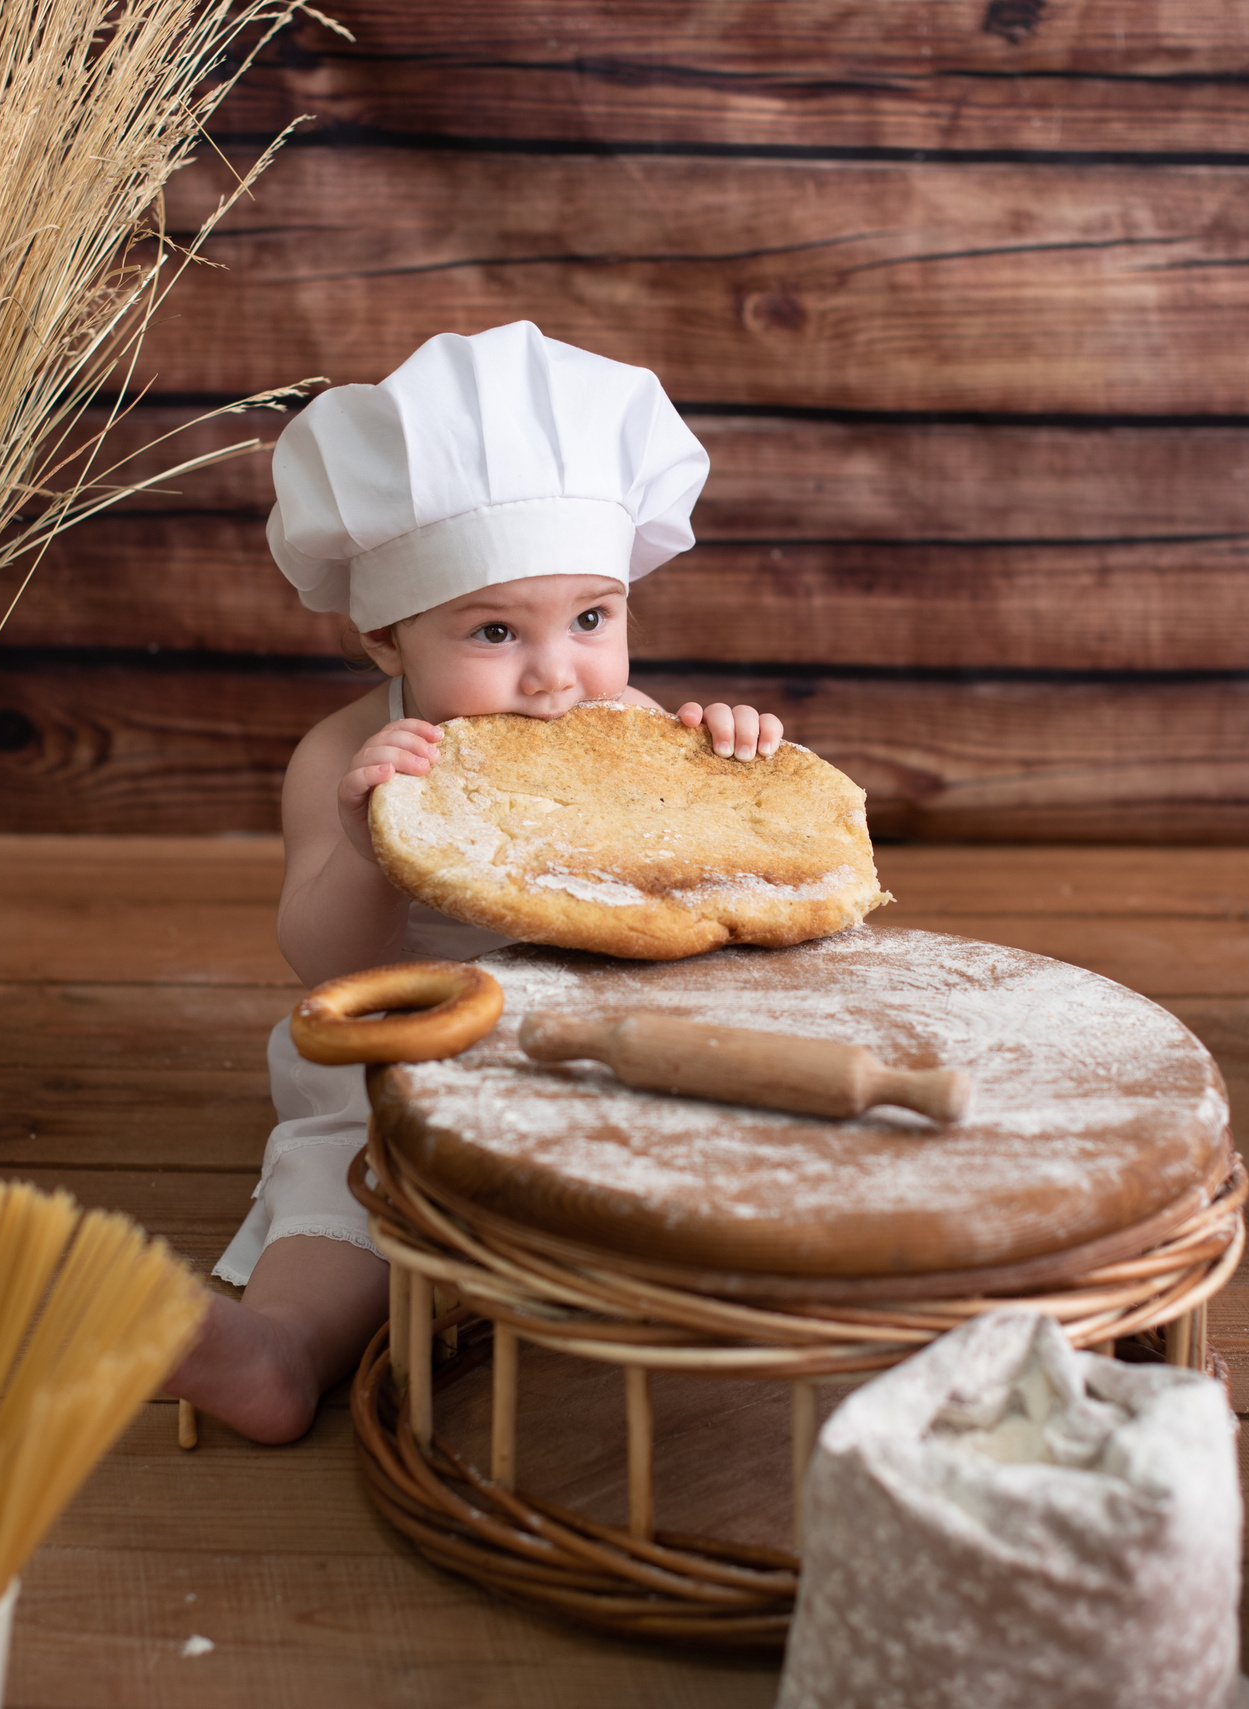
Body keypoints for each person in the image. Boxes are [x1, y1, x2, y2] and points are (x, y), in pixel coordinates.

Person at [165, 322, 786, 1442]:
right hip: (414, 1039)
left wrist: (734, 767)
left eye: (592, 618)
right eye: (495, 629)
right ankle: (284, 1347)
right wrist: (366, 844)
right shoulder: (348, 756)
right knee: (348, 1176)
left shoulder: (629, 727)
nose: (556, 676)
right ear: (385, 639)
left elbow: (710, 890)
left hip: (601, 1029)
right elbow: (326, 963)